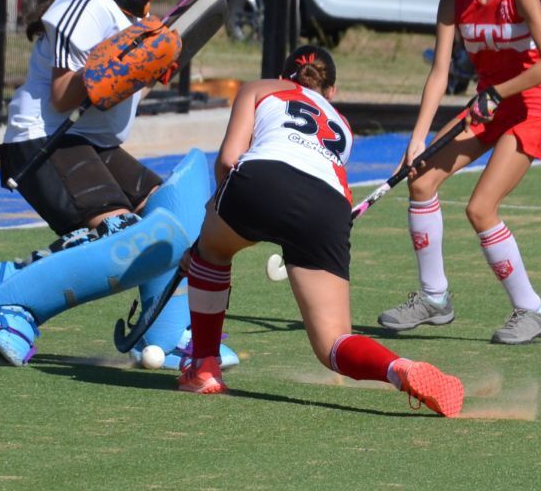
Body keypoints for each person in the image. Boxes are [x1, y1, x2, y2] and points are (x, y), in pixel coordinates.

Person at [0, 0, 236, 370]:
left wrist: (143, 71)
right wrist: (106, 74)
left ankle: (167, 333)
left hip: (92, 141)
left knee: (180, 217)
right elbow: (60, 96)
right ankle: (12, 294)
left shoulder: (133, 11)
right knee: (122, 237)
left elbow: (124, 86)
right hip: (45, 138)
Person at [175, 44, 464, 417]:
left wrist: (214, 218)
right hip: (328, 206)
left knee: (212, 254)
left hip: (261, 178)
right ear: (332, 92)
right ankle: (401, 368)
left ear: (282, 77)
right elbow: (321, 181)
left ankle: (204, 368)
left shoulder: (259, 88)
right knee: (333, 341)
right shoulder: (343, 125)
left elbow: (230, 160)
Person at [376, 0, 541, 344]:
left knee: (480, 209)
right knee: (420, 180)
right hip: (488, 105)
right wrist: (418, 137)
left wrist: (498, 92)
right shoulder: (453, 1)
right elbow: (439, 73)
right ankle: (434, 299)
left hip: (529, 106)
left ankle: (532, 311)